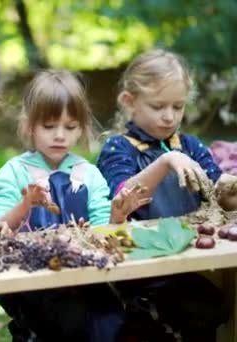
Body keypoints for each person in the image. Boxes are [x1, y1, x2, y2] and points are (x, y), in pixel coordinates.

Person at [0, 69, 149, 342]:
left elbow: (102, 233)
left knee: (112, 320)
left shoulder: (88, 174)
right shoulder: (14, 172)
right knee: (70, 320)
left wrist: (117, 216)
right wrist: (26, 203)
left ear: (81, 128)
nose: (60, 136)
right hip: (30, 280)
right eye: (49, 127)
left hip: (83, 277)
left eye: (70, 127)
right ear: (29, 126)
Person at [97, 49, 233, 341]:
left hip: (190, 260)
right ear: (129, 102)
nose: (169, 116)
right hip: (142, 269)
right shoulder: (118, 148)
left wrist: (231, 187)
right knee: (195, 311)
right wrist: (165, 162)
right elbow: (122, 197)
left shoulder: (189, 144)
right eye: (158, 106)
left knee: (213, 308)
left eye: (178, 106)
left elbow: (219, 194)